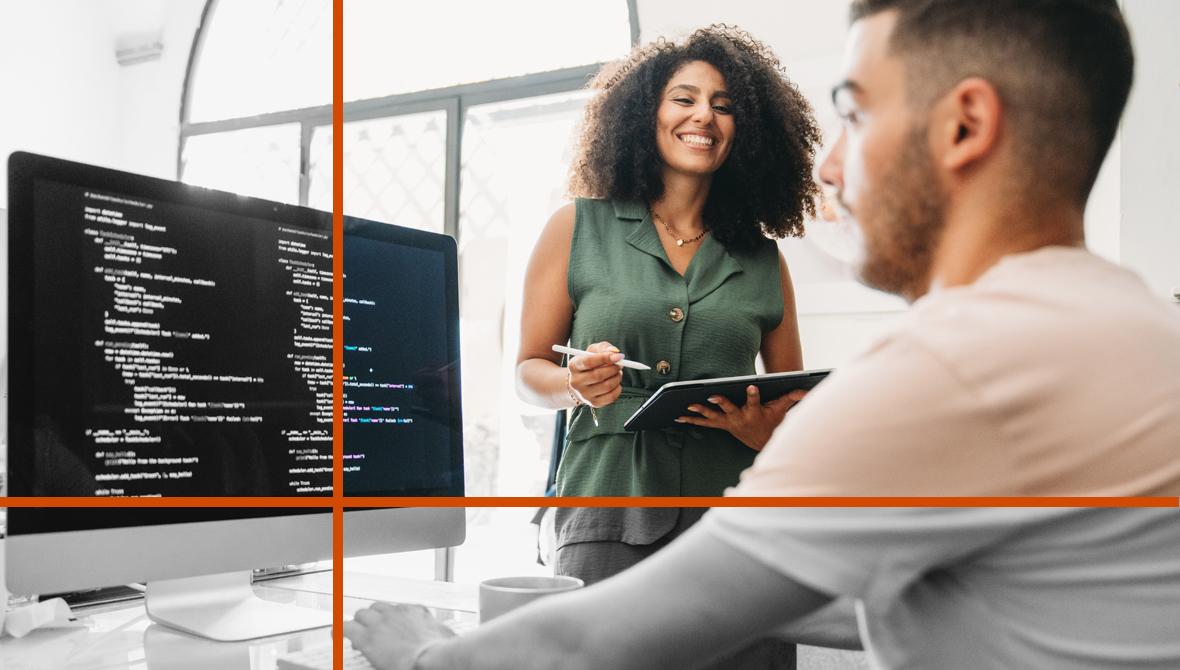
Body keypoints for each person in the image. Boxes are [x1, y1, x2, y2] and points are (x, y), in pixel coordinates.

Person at [345, 1, 1180, 668]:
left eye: (855, 115)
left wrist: (423, 652)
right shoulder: (1145, 334)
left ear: (963, 124)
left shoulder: (950, 370)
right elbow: (922, 599)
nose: (830, 166)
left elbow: (588, 646)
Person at [513, 26, 820, 594]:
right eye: (684, 98)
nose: (704, 115)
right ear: (643, 115)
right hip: (606, 510)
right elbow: (529, 372)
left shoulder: (763, 259)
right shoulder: (575, 227)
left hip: (733, 525)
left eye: (723, 106)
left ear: (747, 132)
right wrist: (574, 384)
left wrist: (765, 431)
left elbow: (793, 405)